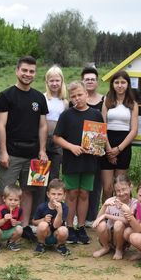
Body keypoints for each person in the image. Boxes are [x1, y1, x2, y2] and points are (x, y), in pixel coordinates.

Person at [0, 56, 48, 241]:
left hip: (32, 155)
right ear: (17, 71)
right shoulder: (5, 96)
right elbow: (1, 125)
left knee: (27, 192)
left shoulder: (39, 98)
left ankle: (23, 227)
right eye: (24, 70)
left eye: (31, 71)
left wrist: (42, 150)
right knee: (3, 192)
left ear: (35, 74)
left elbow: (43, 126)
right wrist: (3, 152)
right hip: (11, 154)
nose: (27, 74)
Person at [53, 81, 104, 244]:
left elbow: (101, 137)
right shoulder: (66, 115)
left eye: (80, 95)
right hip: (71, 161)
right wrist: (71, 147)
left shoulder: (96, 115)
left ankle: (81, 227)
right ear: (70, 98)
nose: (77, 98)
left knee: (84, 194)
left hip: (89, 161)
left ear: (86, 94)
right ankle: (69, 227)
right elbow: (56, 137)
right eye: (73, 96)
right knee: (72, 193)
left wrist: (98, 147)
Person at [101, 70, 139, 201]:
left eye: (123, 82)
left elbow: (134, 130)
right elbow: (102, 127)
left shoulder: (133, 104)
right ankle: (105, 213)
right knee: (107, 188)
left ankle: (120, 212)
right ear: (112, 84)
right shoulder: (106, 101)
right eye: (116, 82)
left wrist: (118, 149)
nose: (120, 85)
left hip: (124, 146)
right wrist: (109, 150)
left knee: (120, 188)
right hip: (107, 144)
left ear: (128, 84)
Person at [80, 66, 105, 226]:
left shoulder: (104, 100)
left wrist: (100, 146)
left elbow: (104, 124)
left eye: (92, 79)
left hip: (96, 148)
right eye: (87, 79)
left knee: (95, 183)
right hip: (79, 148)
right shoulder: (76, 100)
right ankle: (78, 215)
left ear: (97, 82)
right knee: (79, 184)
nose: (90, 81)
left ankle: (91, 216)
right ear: (82, 82)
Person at [92, 174, 137, 260]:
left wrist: (106, 215)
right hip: (109, 236)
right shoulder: (111, 201)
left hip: (123, 238)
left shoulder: (134, 203)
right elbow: (96, 221)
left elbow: (127, 221)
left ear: (130, 187)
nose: (121, 193)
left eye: (124, 189)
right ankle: (105, 247)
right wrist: (104, 206)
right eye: (118, 191)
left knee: (118, 224)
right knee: (101, 224)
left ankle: (119, 249)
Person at [32, 178, 70, 255]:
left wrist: (59, 212)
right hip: (45, 235)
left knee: (64, 230)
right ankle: (41, 244)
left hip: (57, 235)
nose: (56, 197)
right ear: (48, 194)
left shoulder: (64, 207)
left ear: (64, 195)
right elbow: (34, 222)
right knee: (43, 225)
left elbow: (56, 226)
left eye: (59, 194)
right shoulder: (42, 207)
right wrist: (43, 220)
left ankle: (60, 245)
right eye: (53, 194)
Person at [44, 65, 68, 182]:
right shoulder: (43, 98)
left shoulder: (65, 102)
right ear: (47, 82)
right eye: (51, 81)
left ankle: (52, 193)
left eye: (57, 80)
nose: (54, 83)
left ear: (62, 81)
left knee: (54, 174)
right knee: (41, 174)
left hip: (57, 141)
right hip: (43, 140)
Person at [0, 184, 23, 254]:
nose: (13, 202)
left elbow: (20, 222)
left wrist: (16, 222)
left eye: (16, 200)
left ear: (20, 200)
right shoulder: (0, 209)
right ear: (4, 199)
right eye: (10, 199)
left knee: (19, 229)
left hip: (9, 231)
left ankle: (11, 242)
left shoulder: (19, 210)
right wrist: (4, 220)